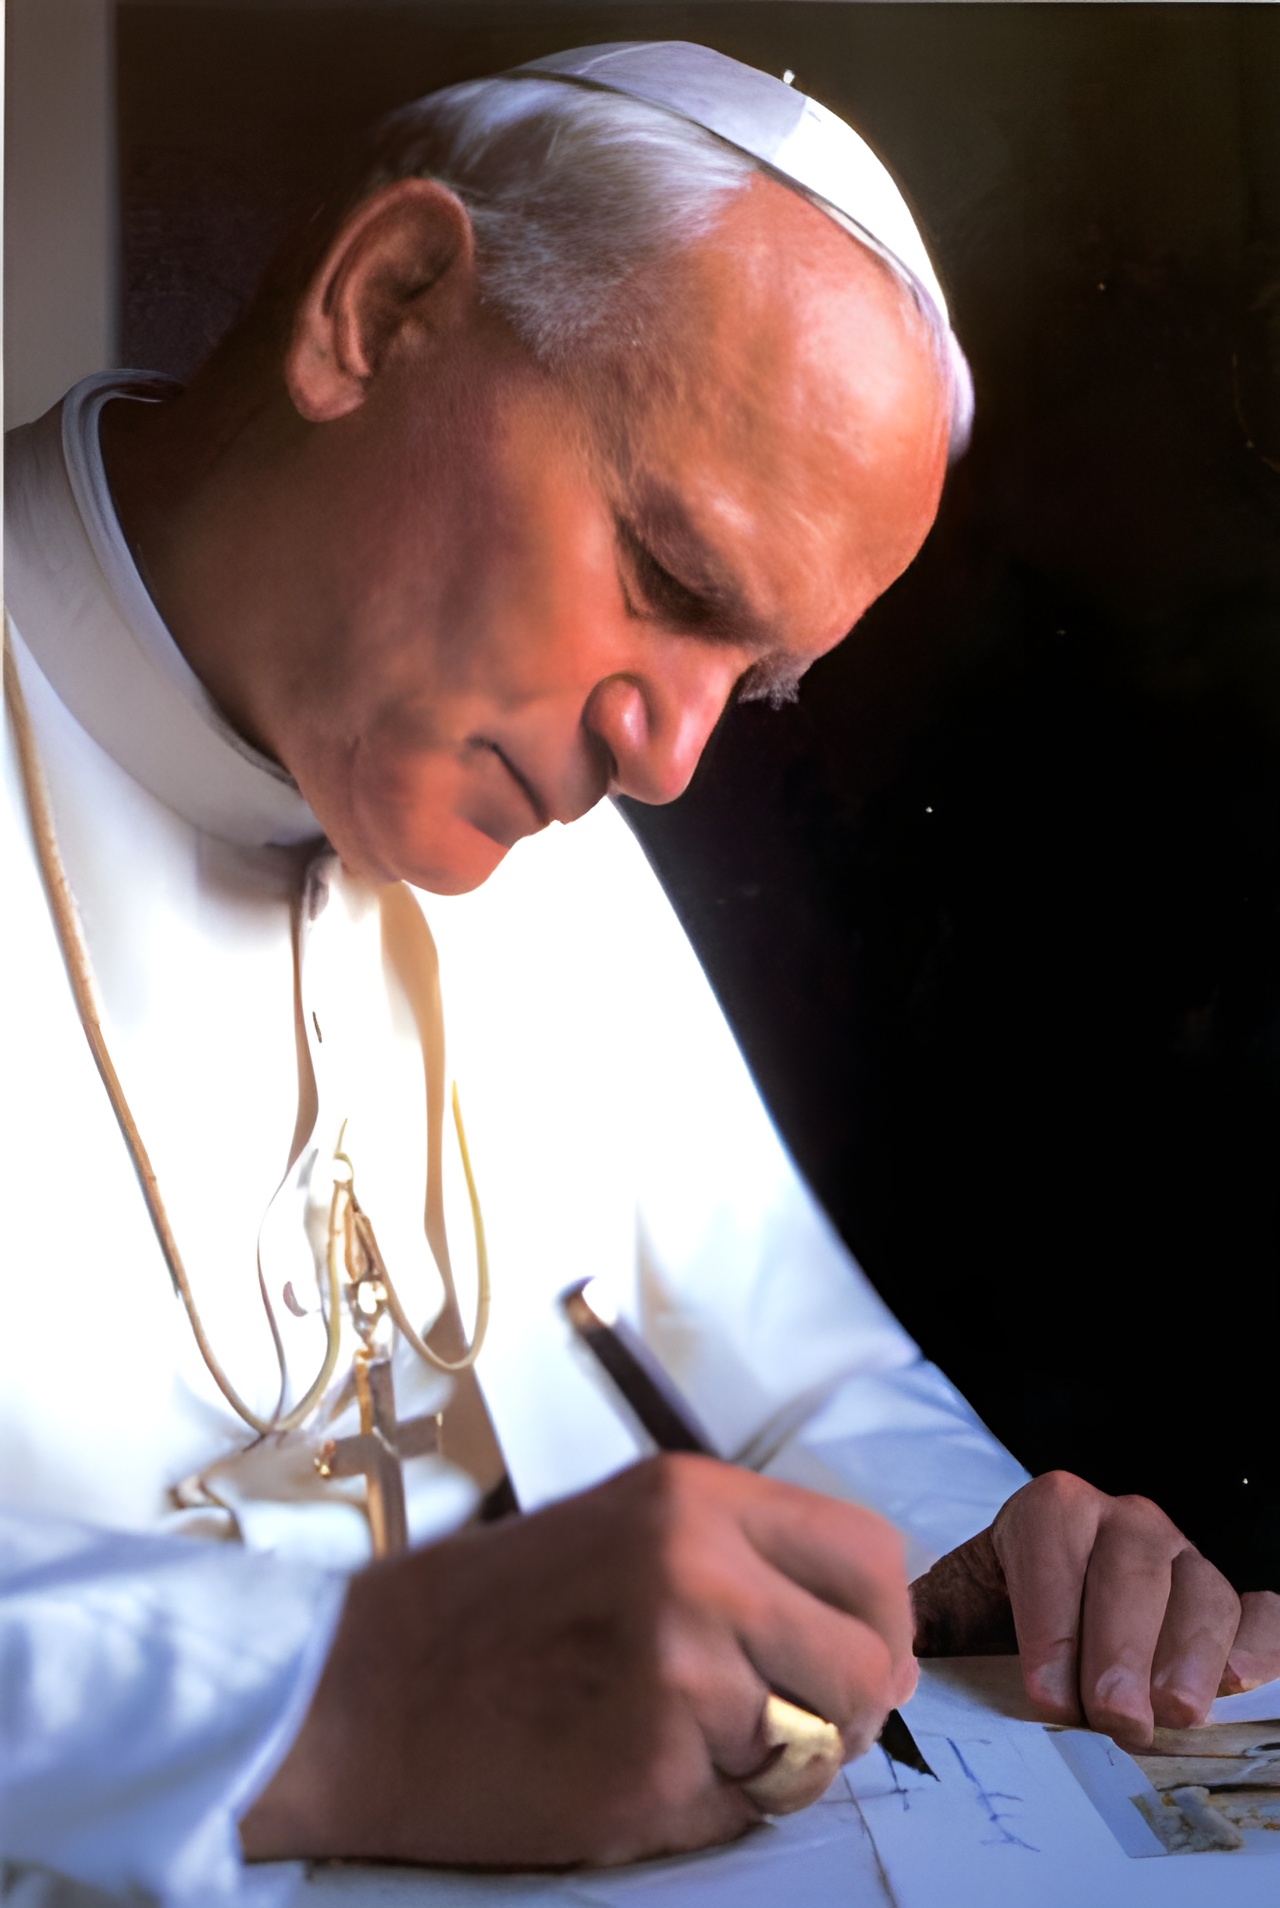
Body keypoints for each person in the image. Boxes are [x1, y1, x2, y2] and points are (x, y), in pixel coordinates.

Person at [3, 40, 1277, 1902]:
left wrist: (981, 1559)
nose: (668, 760)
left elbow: (797, 1379)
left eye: (747, 679)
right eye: (670, 580)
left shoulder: (535, 825)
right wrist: (330, 1706)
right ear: (385, 306)